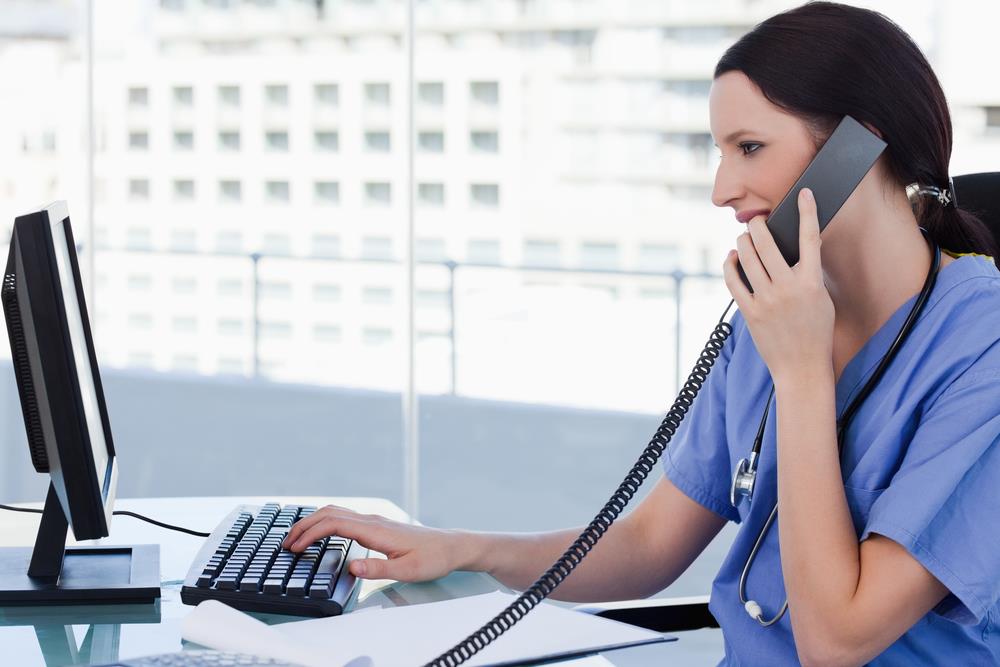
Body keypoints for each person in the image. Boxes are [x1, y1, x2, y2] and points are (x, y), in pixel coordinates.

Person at [283, 2, 1000, 664]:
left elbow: (835, 641)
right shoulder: (780, 313)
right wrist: (461, 548)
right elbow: (650, 543)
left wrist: (803, 372)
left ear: (858, 147)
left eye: (749, 148)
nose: (722, 189)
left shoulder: (979, 345)